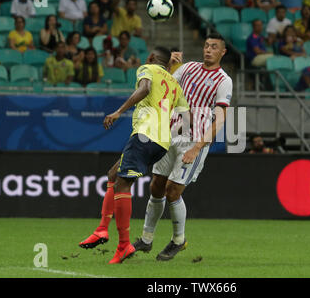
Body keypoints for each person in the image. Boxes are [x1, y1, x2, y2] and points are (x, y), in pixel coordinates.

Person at [79, 34, 233, 262]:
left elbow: (220, 119)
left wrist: (197, 147)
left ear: (223, 52)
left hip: (194, 140)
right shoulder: (188, 68)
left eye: (214, 47)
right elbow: (166, 82)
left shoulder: (223, 80)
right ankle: (146, 239)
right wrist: (170, 66)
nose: (208, 50)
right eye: (206, 46)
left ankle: (178, 240)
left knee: (173, 190)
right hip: (168, 134)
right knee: (156, 187)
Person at [80, 46, 190, 264]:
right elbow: (188, 122)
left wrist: (119, 111)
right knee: (113, 174)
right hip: (161, 143)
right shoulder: (174, 84)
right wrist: (167, 131)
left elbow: (145, 88)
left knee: (122, 184)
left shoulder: (147, 68)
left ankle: (123, 246)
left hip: (145, 135)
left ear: (151, 58)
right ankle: (102, 228)